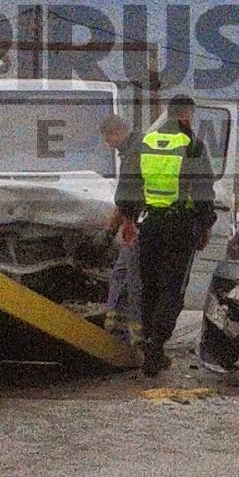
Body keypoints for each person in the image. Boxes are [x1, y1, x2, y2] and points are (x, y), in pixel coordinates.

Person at [114, 94, 216, 377]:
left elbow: (128, 184)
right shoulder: (192, 145)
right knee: (173, 289)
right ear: (187, 115)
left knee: (150, 287)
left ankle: (151, 347)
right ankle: (156, 344)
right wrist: (206, 224)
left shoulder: (145, 142)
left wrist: (129, 219)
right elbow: (204, 189)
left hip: (151, 226)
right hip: (180, 227)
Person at [98, 114, 143, 345]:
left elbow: (126, 196)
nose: (109, 145)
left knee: (126, 277)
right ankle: (126, 334)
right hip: (139, 222)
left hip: (137, 225)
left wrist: (114, 229)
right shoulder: (136, 148)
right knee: (126, 277)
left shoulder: (133, 153)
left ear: (116, 132)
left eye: (109, 139)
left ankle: (123, 336)